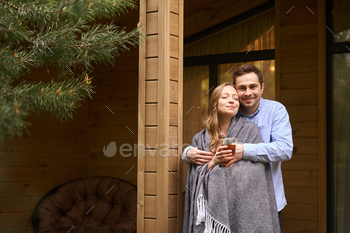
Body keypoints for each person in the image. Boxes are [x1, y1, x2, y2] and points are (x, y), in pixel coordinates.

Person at [183, 64, 293, 228]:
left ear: (262, 87)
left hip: (265, 200)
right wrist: (186, 153)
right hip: (222, 204)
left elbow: (284, 149)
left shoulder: (275, 111)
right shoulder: (231, 111)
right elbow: (204, 148)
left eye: (253, 86)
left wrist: (243, 151)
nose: (247, 93)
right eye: (241, 88)